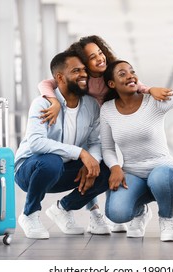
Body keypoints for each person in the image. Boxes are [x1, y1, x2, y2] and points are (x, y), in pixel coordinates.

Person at [37, 35, 173, 233]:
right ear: (83, 63)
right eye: (93, 57)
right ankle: (94, 214)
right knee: (91, 167)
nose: (100, 58)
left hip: (114, 125)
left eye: (100, 52)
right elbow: (45, 83)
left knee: (112, 165)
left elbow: (137, 84)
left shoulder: (111, 72)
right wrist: (54, 102)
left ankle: (125, 209)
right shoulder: (81, 77)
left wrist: (151, 90)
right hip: (90, 129)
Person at [100, 32, 173, 242]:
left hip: (167, 172)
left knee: (159, 178)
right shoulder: (107, 110)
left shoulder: (153, 101)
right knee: (116, 214)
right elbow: (108, 148)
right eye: (122, 74)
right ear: (111, 84)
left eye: (132, 71)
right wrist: (115, 167)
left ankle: (167, 220)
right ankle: (140, 211)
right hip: (133, 174)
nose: (130, 75)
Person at [14, 49, 110, 239]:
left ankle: (64, 208)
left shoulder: (91, 106)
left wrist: (91, 161)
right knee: (51, 161)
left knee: (106, 168)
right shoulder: (42, 104)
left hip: (64, 170)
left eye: (84, 70)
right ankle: (29, 214)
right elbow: (36, 143)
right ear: (59, 77)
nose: (83, 74)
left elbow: (95, 141)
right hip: (29, 169)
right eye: (76, 71)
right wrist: (80, 153)